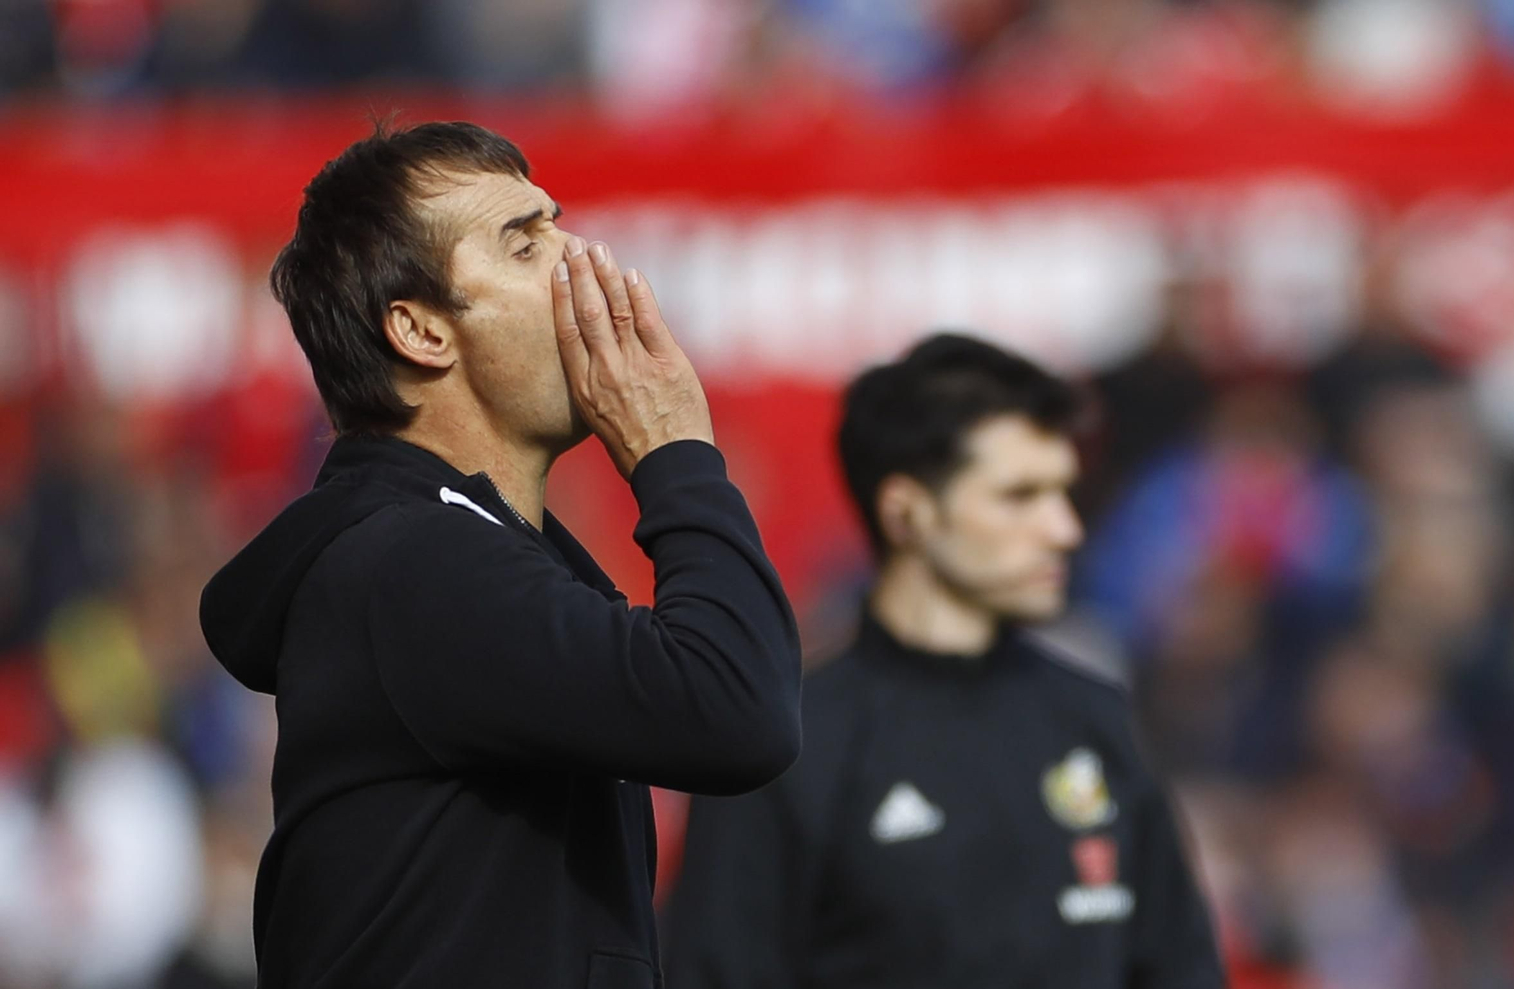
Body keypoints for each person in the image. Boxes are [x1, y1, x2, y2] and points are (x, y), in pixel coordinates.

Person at [197, 121, 802, 988]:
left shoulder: (469, 553)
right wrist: (674, 450)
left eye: (558, 222)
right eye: (524, 246)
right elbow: (736, 705)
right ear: (421, 330)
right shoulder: (411, 566)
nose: (580, 257)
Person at [664, 334, 1225, 989]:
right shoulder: (782, 746)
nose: (1064, 528)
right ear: (909, 513)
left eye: (1064, 492)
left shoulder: (1094, 716)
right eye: (1020, 495)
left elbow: (1181, 965)